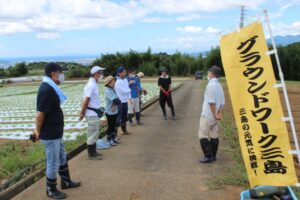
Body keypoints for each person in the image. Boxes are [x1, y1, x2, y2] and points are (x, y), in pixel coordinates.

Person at [35, 62, 80, 199]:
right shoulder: (46, 90)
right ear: (53, 74)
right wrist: (37, 132)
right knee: (53, 161)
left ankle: (66, 181)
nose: (62, 75)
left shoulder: (52, 88)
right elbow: (39, 114)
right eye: (61, 73)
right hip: (50, 134)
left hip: (56, 132)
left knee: (61, 156)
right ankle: (51, 189)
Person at [198, 65, 225, 164]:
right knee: (214, 135)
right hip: (215, 116)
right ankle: (213, 156)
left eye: (209, 72)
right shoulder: (219, 85)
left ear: (212, 74)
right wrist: (218, 113)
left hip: (207, 115)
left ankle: (208, 156)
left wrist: (214, 113)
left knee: (203, 135)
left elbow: (211, 102)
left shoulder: (210, 86)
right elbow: (222, 102)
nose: (207, 73)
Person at [79, 66, 105, 160]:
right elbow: (86, 99)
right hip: (91, 114)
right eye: (101, 73)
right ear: (96, 74)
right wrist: (82, 113)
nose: (102, 75)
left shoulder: (93, 83)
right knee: (92, 134)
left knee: (94, 133)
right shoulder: (91, 85)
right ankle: (91, 154)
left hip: (93, 113)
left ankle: (94, 152)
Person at [114, 66, 132, 135]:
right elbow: (123, 91)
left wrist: (129, 98)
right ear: (119, 73)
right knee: (118, 118)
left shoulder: (125, 79)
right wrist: (129, 90)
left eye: (125, 72)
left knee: (124, 117)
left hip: (125, 101)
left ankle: (124, 130)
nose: (125, 73)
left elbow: (127, 89)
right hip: (120, 102)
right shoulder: (117, 82)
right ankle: (115, 134)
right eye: (124, 72)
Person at [104, 75, 121, 146]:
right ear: (109, 83)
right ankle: (109, 140)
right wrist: (115, 103)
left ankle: (113, 139)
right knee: (110, 126)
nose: (114, 82)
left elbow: (118, 100)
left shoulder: (113, 90)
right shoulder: (108, 91)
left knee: (113, 126)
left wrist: (115, 104)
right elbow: (117, 100)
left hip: (114, 111)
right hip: (110, 112)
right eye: (113, 81)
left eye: (114, 81)